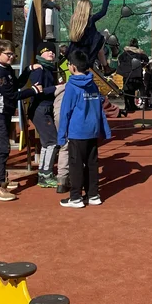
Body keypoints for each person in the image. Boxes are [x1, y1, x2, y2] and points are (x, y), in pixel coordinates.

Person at [0, 39, 42, 202]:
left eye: (13, 54)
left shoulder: (6, 69)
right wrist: (33, 91)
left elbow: (16, 84)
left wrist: (28, 70)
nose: (12, 57)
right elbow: (11, 95)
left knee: (4, 147)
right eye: (8, 54)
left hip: (4, 113)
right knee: (1, 148)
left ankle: (2, 179)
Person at [56, 50, 112, 208]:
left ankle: (75, 197)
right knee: (92, 163)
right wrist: (104, 130)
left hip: (77, 132)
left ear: (72, 67)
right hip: (92, 131)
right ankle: (93, 194)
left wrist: (61, 136)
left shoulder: (71, 86)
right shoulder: (93, 84)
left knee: (76, 165)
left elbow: (65, 112)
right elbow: (99, 109)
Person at [29, 42, 60, 188]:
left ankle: (43, 172)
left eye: (52, 51)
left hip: (45, 108)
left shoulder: (49, 69)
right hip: (40, 109)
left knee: (47, 142)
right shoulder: (39, 70)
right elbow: (38, 90)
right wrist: (57, 88)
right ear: (40, 54)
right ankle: (46, 174)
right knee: (52, 141)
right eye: (47, 51)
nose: (51, 53)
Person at [68, 0, 114, 76]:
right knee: (105, 32)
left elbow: (82, 6)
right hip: (91, 48)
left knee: (100, 49)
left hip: (78, 48)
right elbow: (103, 12)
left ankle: (106, 67)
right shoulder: (90, 20)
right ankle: (106, 66)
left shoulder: (73, 19)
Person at [117, 38, 149, 113]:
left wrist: (125, 67)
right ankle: (140, 104)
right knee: (138, 89)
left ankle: (127, 106)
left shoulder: (125, 53)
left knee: (127, 90)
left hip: (127, 75)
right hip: (136, 74)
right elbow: (146, 60)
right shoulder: (139, 53)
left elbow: (120, 59)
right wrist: (141, 66)